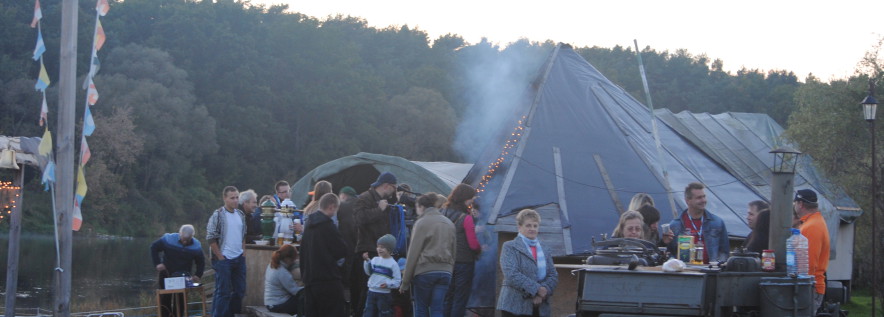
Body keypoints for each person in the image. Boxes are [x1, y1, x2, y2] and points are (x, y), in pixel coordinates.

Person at [400, 193, 455, 317]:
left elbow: (413, 253)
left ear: (421, 207)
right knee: (437, 309)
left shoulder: (421, 223)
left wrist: (405, 282)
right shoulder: (449, 223)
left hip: (425, 271)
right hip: (445, 272)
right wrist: (450, 270)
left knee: (421, 308)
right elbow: (453, 250)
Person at [496, 209, 558, 317]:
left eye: (535, 226)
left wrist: (542, 293)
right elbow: (511, 274)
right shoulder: (510, 246)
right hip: (514, 305)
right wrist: (537, 290)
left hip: (540, 306)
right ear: (519, 227)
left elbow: (553, 275)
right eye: (528, 225)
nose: (532, 229)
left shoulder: (545, 248)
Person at [354, 172, 398, 317]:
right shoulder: (364, 198)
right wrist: (379, 210)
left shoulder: (383, 200)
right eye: (393, 188)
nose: (394, 191)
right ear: (386, 186)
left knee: (377, 290)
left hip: (380, 251)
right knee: (367, 289)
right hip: (369, 249)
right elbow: (359, 219)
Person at [301, 193, 349, 317]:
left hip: (310, 280)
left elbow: (303, 251)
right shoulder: (328, 226)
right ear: (332, 207)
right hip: (328, 280)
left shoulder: (308, 224)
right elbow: (341, 250)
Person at [439, 184, 481, 317]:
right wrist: (480, 250)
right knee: (460, 298)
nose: (472, 202)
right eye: (471, 199)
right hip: (464, 262)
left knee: (447, 297)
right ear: (465, 198)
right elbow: (473, 244)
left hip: (446, 261)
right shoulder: (466, 218)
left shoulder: (442, 212)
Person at [663, 182, 730, 263]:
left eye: (704, 197)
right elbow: (670, 253)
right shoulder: (675, 225)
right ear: (688, 201)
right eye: (699, 198)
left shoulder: (717, 223)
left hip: (709, 272)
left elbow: (724, 252)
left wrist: (717, 265)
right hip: (685, 272)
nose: (703, 200)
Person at [206, 186, 247, 317]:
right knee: (223, 292)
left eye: (237, 197)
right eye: (232, 198)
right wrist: (220, 256)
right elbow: (211, 238)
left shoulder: (240, 215)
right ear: (225, 198)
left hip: (238, 258)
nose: (235, 200)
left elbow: (243, 235)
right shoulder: (218, 215)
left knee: (240, 290)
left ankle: (230, 313)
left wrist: (243, 252)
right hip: (224, 258)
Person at [151, 224, 206, 317]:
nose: (184, 242)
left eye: (187, 240)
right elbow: (154, 247)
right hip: (166, 273)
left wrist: (198, 275)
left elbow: (201, 261)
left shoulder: (196, 246)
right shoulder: (168, 239)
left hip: (184, 276)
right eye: (183, 239)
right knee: (164, 299)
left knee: (180, 300)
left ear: (192, 236)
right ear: (179, 233)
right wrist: (157, 263)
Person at [794, 189, 830, 311]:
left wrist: (800, 288)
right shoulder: (814, 222)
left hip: (809, 288)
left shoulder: (811, 227)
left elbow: (808, 264)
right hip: (811, 286)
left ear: (800, 204)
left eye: (795, 203)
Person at [363, 234, 402, 317]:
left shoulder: (393, 264)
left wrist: (388, 284)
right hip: (371, 291)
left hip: (384, 294)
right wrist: (367, 261)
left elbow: (397, 281)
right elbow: (369, 272)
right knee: (368, 312)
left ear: (389, 249)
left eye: (382, 247)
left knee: (384, 313)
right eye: (378, 246)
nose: (379, 249)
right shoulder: (374, 260)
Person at [338, 186, 360, 313]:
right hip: (360, 249)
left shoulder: (342, 208)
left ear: (344, 196)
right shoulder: (360, 206)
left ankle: (346, 308)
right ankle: (355, 309)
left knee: (345, 281)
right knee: (357, 282)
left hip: (346, 248)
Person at [264, 244, 304, 315]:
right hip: (277, 305)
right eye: (293, 260)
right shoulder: (282, 272)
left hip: (270, 304)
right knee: (304, 299)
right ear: (287, 258)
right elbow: (295, 291)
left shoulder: (272, 265)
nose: (293, 262)